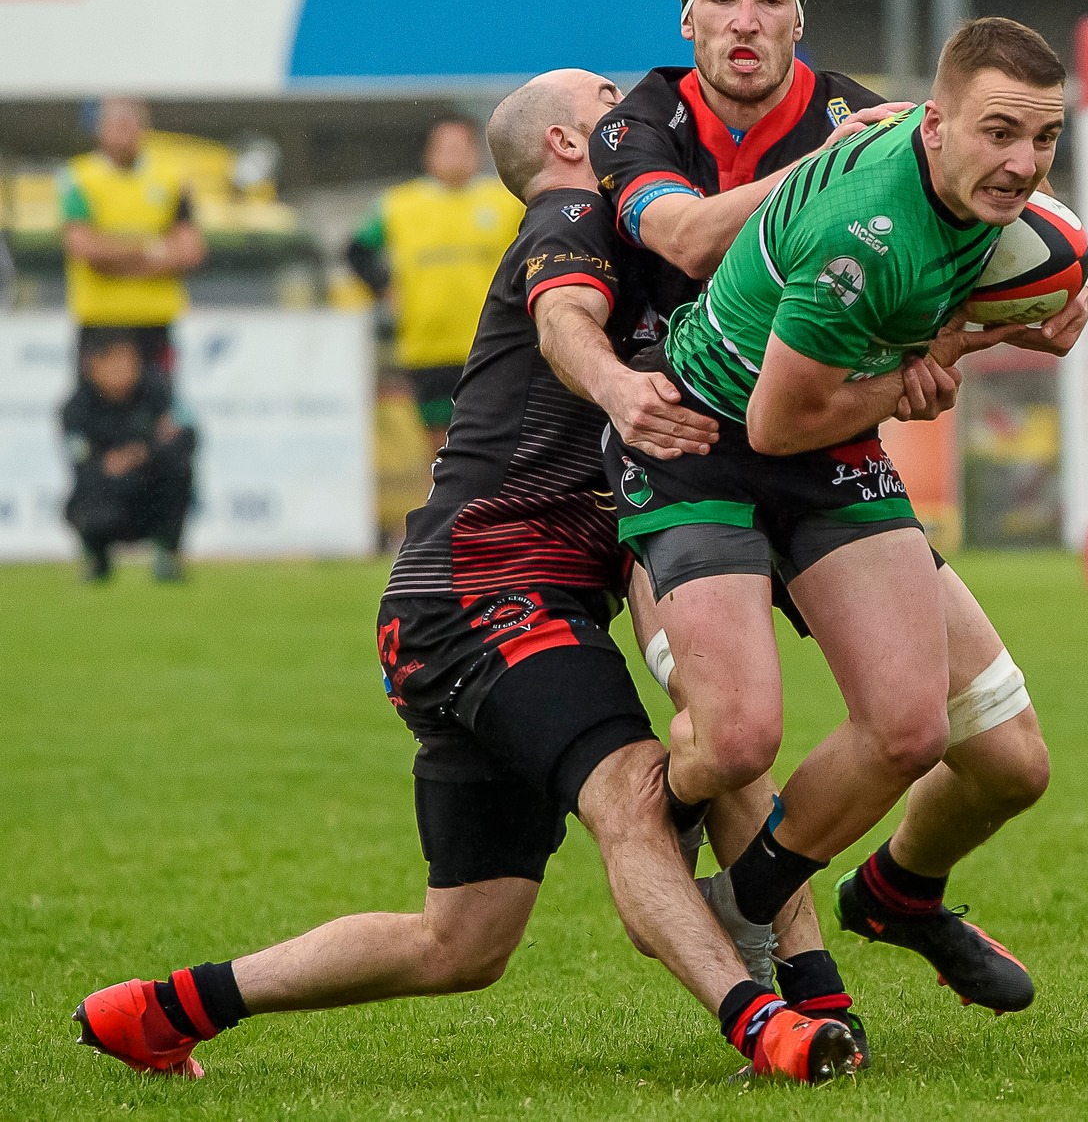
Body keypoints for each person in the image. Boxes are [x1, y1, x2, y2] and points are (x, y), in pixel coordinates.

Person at [71, 70, 859, 1087]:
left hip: (468, 607)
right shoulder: (576, 214)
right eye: (611, 103)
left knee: (462, 941)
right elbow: (570, 319)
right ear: (573, 143)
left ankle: (160, 1010)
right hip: (487, 591)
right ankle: (772, 1021)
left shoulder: (625, 235)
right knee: (642, 782)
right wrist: (833, 163)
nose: (638, 114)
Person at [573, 0, 1069, 1037]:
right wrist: (840, 188)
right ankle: (757, 945)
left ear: (802, 13)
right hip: (688, 437)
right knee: (734, 732)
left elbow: (992, 265)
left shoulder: (881, 116)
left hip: (828, 439)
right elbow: (692, 243)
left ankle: (897, 895)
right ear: (687, 15)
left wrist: (993, 317)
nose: (747, 23)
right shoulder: (638, 120)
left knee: (998, 755)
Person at [346, 115, 523, 452]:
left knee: (495, 441)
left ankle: (488, 506)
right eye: (446, 148)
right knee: (441, 448)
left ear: (476, 153)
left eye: (462, 147)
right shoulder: (399, 204)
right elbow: (356, 252)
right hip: (426, 347)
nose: (454, 156)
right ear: (430, 154)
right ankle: (449, 506)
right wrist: (384, 288)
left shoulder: (506, 202)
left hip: (492, 344)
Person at [59, 96, 205, 383]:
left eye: (131, 121)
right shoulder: (78, 177)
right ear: (100, 128)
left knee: (158, 415)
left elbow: (190, 250)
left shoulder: (171, 176)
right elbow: (84, 247)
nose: (124, 128)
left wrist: (115, 260)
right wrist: (155, 250)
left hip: (155, 318)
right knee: (99, 411)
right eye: (116, 121)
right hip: (100, 318)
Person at [61, 334, 195, 583]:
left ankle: (168, 554)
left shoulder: (157, 391)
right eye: (116, 364)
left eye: (130, 363)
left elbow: (186, 437)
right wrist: (110, 464)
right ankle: (96, 556)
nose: (125, 372)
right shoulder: (76, 408)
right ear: (96, 367)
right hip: (108, 495)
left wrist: (140, 455)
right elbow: (82, 464)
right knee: (86, 503)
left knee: (180, 471)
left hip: (150, 489)